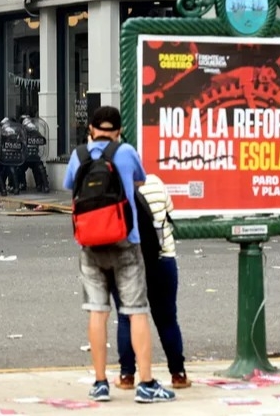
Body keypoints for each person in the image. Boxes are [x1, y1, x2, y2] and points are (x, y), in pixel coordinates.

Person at [63, 106, 175, 403]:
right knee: (136, 311)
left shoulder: (78, 155)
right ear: (119, 130)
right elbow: (140, 180)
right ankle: (146, 384)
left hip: (89, 244)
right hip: (126, 241)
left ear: (90, 129)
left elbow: (69, 185)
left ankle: (100, 383)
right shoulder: (125, 152)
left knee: (97, 312)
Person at [112, 174, 191, 389]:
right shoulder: (156, 183)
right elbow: (169, 212)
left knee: (126, 318)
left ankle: (127, 376)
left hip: (127, 263)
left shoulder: (115, 186)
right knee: (167, 319)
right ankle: (178, 374)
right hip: (162, 259)